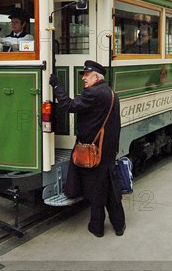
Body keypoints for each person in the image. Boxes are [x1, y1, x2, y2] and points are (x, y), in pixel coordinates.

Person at [49, 60, 126, 237]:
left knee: (96, 190)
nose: (83, 78)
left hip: (93, 151)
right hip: (107, 150)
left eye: (86, 75)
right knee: (110, 189)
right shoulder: (111, 93)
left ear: (96, 76)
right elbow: (116, 124)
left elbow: (68, 105)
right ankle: (119, 225)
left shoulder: (93, 93)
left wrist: (56, 85)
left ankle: (97, 228)